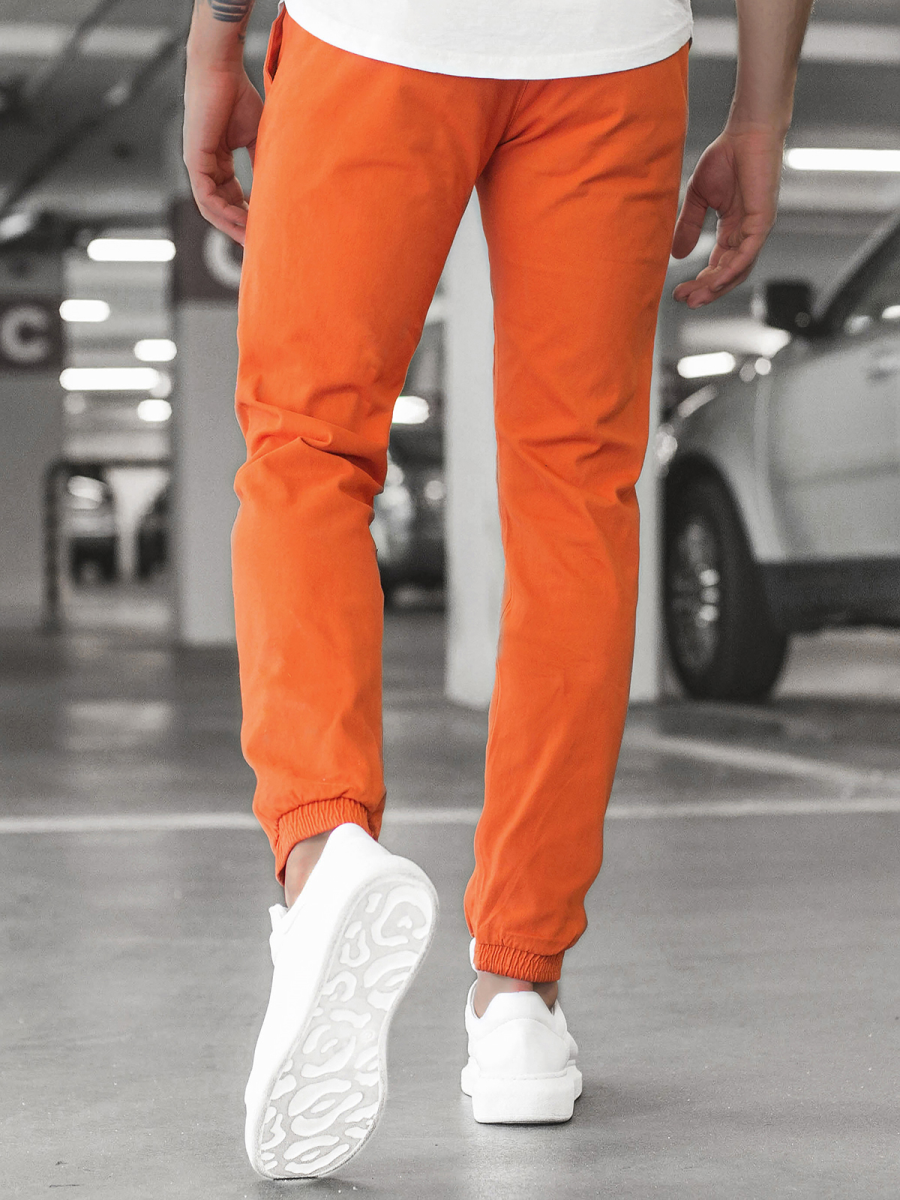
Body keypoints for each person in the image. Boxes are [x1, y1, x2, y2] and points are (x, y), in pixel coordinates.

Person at [183, 0, 813, 1179]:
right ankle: (518, 996)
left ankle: (322, 851)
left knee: (308, 449)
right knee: (577, 500)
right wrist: (761, 114)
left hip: (373, 35)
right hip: (612, 52)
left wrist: (217, 35)